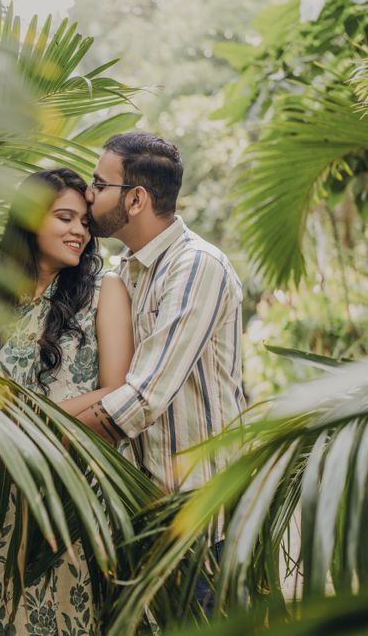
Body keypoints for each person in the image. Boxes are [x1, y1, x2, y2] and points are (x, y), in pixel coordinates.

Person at [75, 131, 245, 610]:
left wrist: (31, 436)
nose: (89, 194)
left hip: (199, 518)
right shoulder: (126, 272)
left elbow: (142, 397)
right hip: (146, 513)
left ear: (135, 199)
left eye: (98, 183)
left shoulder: (195, 266)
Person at [0, 168, 134, 636]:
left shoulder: (105, 292)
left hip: (71, 492)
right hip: (4, 499)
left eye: (84, 222)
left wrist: (17, 429)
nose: (79, 231)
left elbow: (118, 391)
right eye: (65, 217)